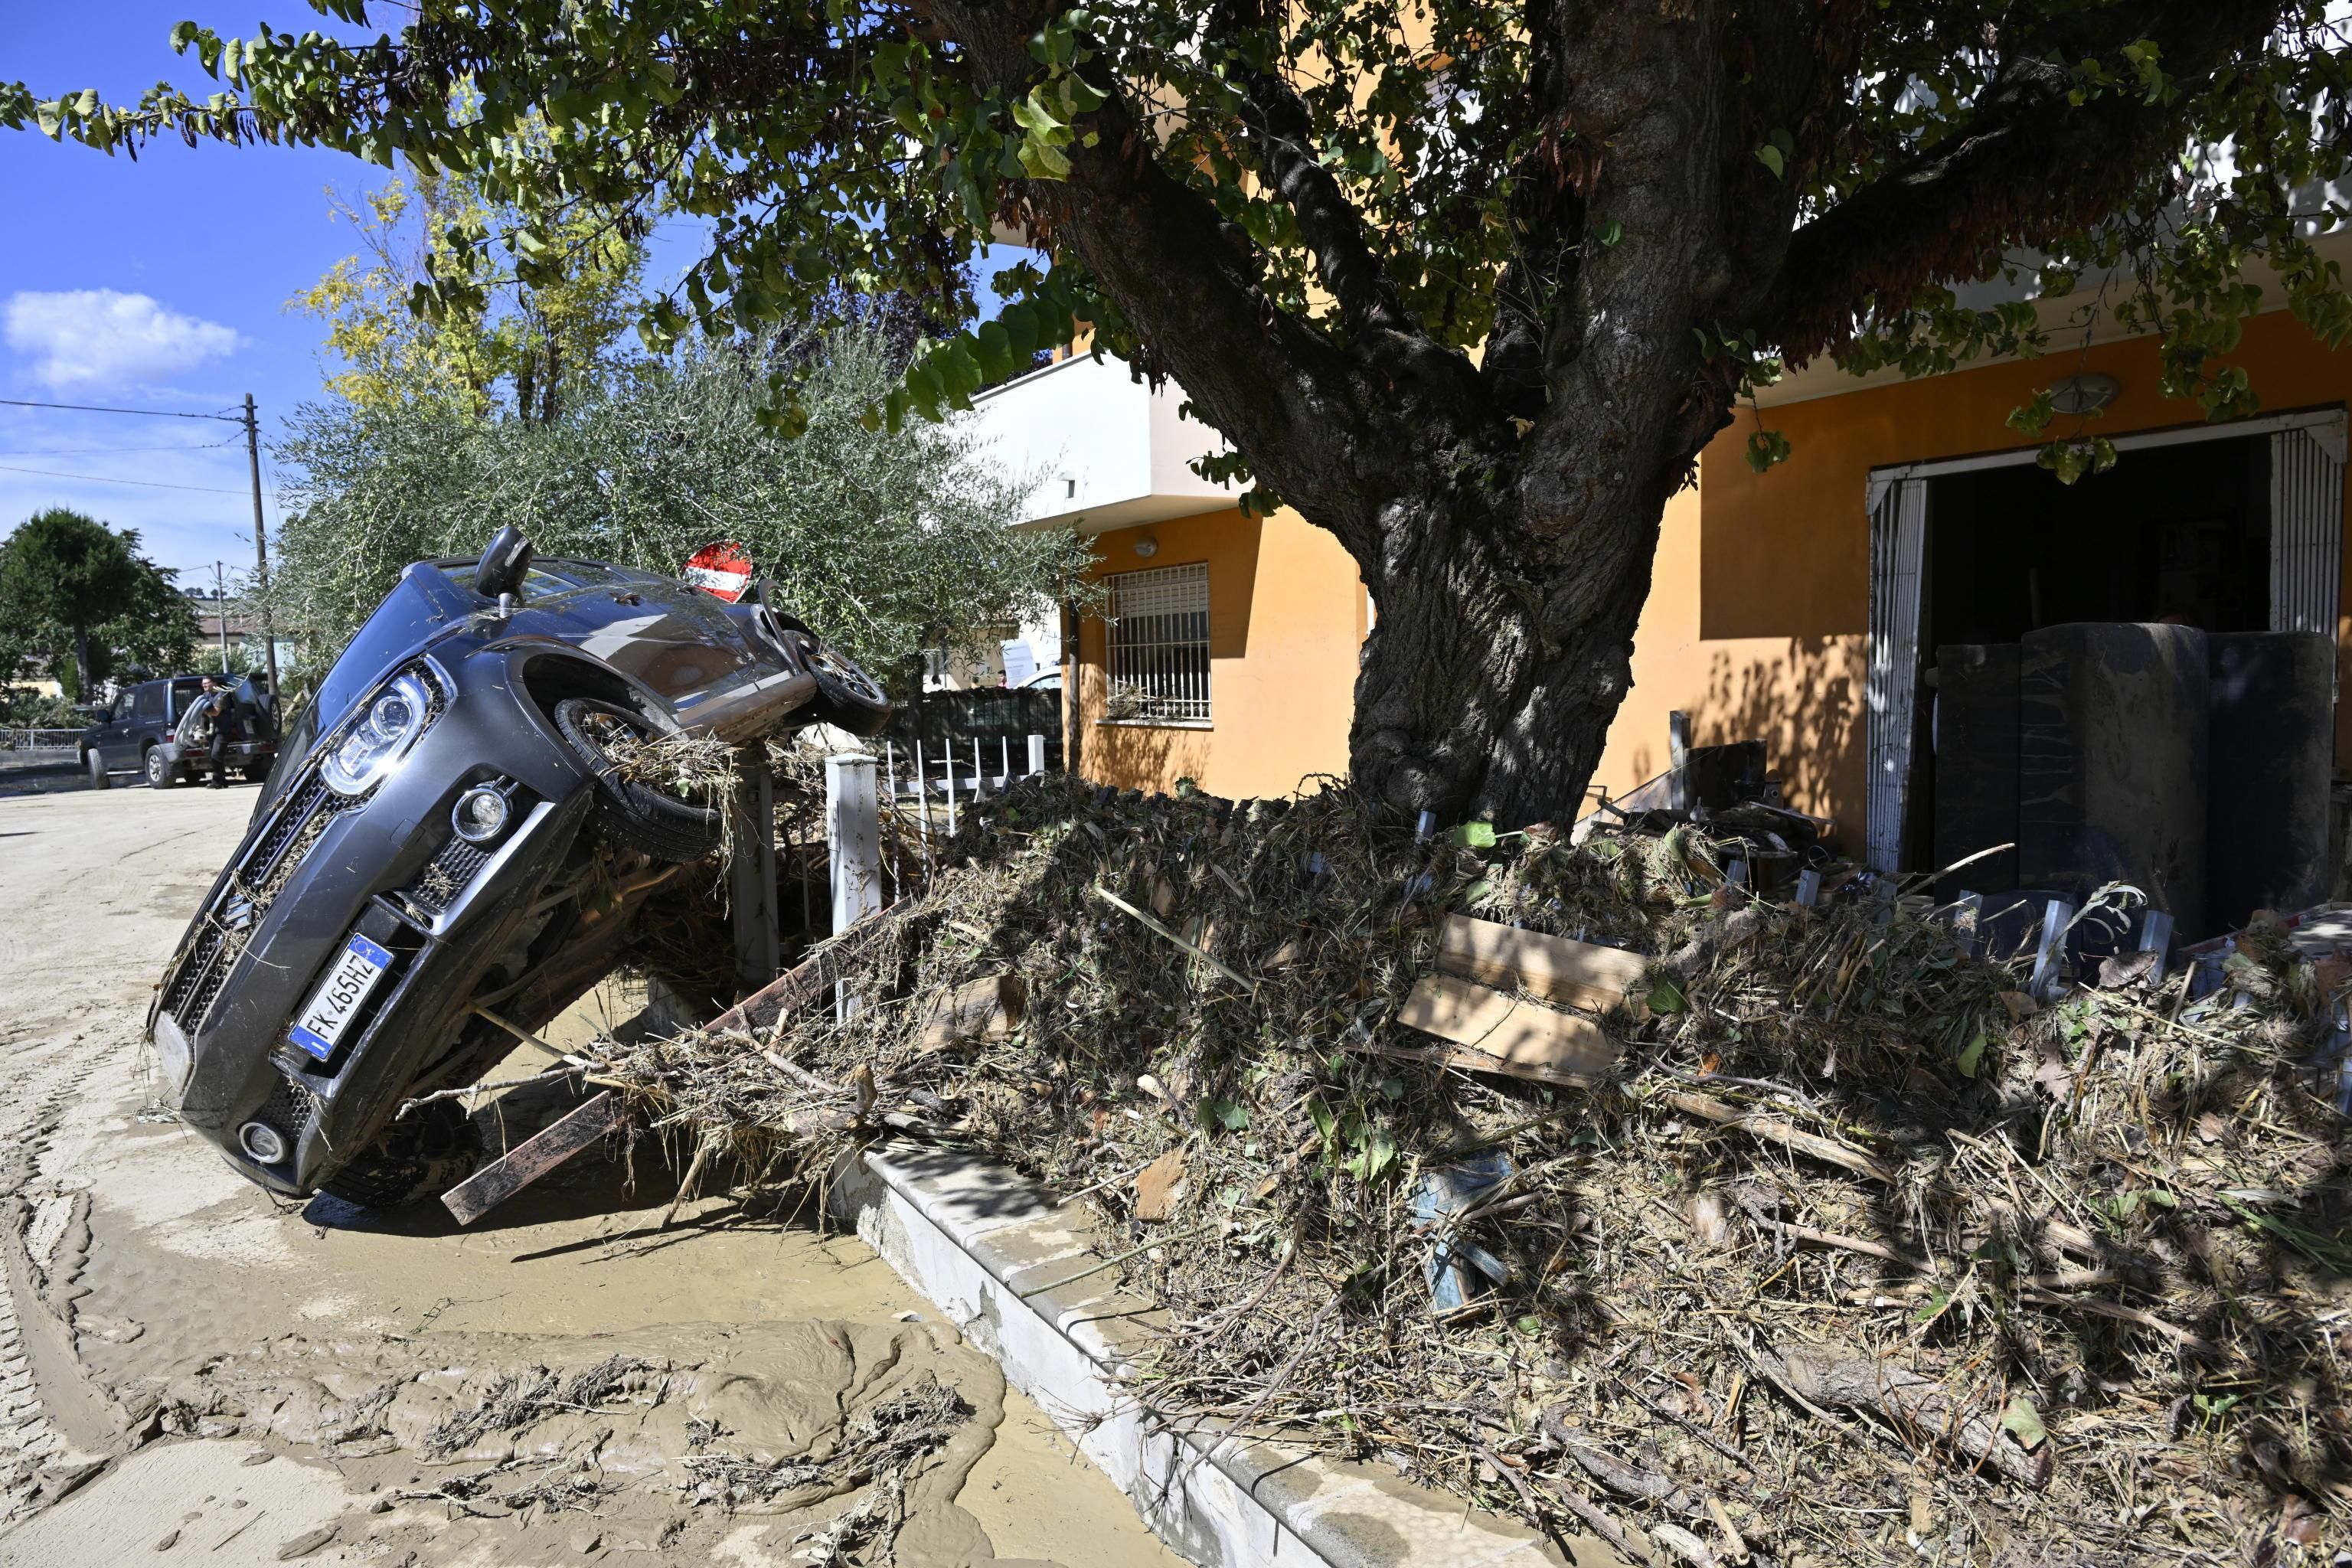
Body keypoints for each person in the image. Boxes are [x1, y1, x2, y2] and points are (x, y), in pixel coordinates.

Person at [179, 676, 230, 789]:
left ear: (214, 683)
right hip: (212, 731)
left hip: (222, 731)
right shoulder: (206, 695)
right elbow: (198, 705)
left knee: (216, 754)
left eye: (207, 683)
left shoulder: (221, 695)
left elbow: (216, 712)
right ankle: (223, 781)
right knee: (214, 756)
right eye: (203, 684)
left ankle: (216, 782)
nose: (205, 685)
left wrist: (201, 710)